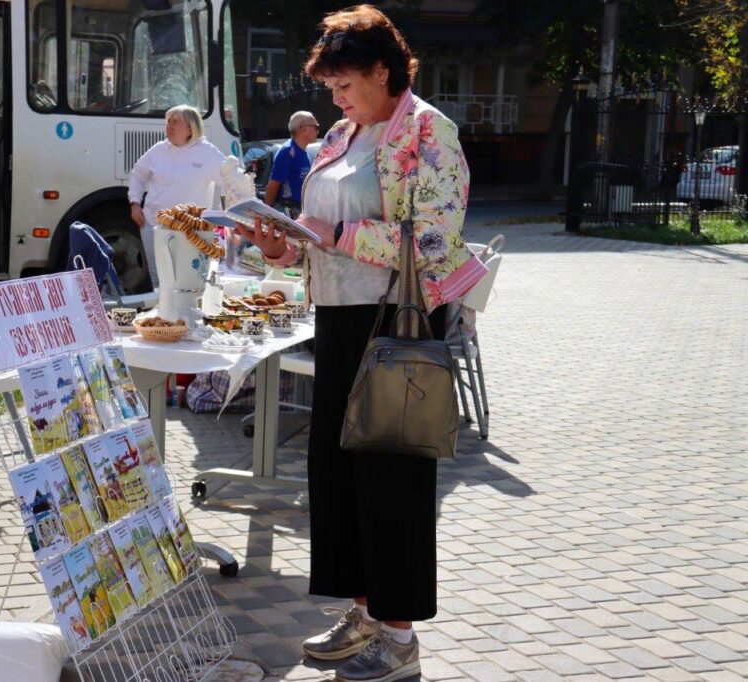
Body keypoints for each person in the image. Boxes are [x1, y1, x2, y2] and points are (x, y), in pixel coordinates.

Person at [235, 6, 487, 681]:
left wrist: (334, 237)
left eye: (346, 85)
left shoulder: (429, 130)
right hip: (341, 318)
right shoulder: (346, 134)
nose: (336, 100)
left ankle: (399, 642)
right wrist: (281, 246)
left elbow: (436, 241)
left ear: (383, 70)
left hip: (396, 322)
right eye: (332, 90)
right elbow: (319, 229)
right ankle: (366, 614)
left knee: (392, 481)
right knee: (340, 479)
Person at [127, 105, 227, 287]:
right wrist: (135, 203)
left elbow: (230, 180)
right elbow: (137, 174)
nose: (169, 126)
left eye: (175, 122)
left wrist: (225, 216)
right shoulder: (158, 150)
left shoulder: (208, 152)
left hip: (191, 231)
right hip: (153, 225)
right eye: (168, 122)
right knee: (160, 280)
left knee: (189, 282)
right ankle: (160, 314)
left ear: (190, 128)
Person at [264, 111, 320, 212]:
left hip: (300, 210)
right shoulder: (288, 151)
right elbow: (273, 186)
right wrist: (269, 214)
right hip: (289, 210)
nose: (318, 132)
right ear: (303, 129)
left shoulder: (304, 152)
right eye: (316, 127)